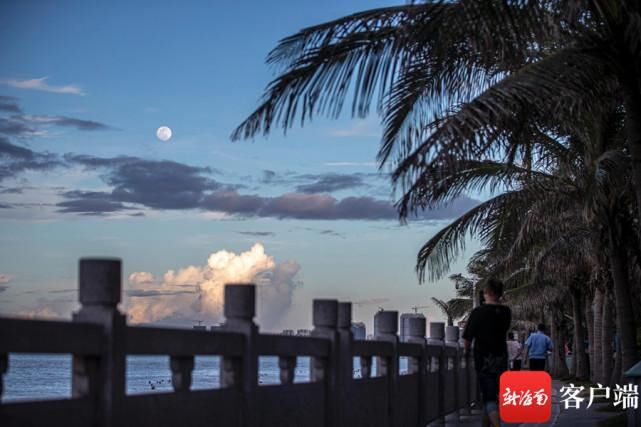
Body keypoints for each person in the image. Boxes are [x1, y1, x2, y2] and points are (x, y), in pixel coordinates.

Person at [463, 279, 511, 427]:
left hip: (484, 361)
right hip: (501, 359)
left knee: (489, 398)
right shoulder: (506, 312)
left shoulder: (478, 312)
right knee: (491, 396)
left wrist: (466, 352)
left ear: (487, 293)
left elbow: (467, 338)